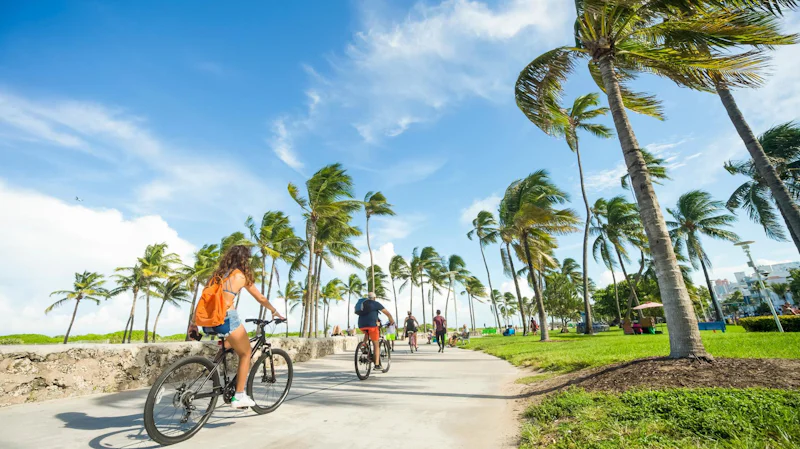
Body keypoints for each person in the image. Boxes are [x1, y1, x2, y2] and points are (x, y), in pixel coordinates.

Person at [200, 245, 284, 409]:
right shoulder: (241, 276)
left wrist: (193, 324)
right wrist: (274, 311)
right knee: (246, 353)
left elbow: (204, 298)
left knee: (231, 342)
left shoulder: (216, 276)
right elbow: (260, 297)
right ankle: (239, 396)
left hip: (208, 320)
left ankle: (212, 367)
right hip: (226, 318)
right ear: (244, 260)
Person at [357, 292, 394, 370]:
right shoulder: (376, 304)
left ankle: (363, 346)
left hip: (361, 325)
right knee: (376, 344)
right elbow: (387, 313)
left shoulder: (363, 304)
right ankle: (377, 365)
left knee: (367, 333)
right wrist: (391, 320)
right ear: (374, 298)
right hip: (372, 326)